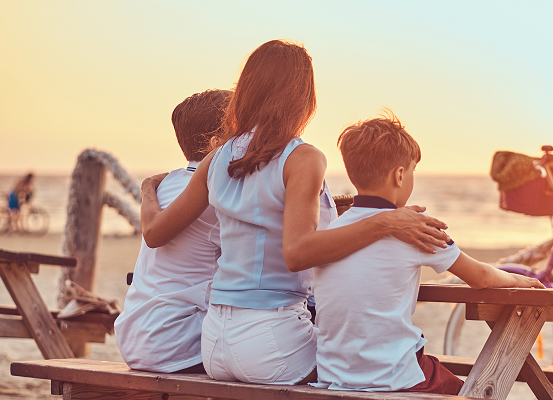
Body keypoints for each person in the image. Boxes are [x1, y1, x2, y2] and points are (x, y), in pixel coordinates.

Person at [140, 40, 452, 385]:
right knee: (377, 370)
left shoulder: (218, 158)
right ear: (303, 97)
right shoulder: (303, 158)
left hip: (213, 342)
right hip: (269, 339)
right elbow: (298, 252)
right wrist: (385, 220)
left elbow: (154, 234)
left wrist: (147, 190)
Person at [311, 113, 544, 394]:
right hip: (395, 377)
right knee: (471, 391)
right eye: (412, 171)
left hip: (334, 378)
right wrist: (517, 280)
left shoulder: (334, 234)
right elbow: (480, 276)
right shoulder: (416, 230)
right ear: (399, 175)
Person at [114, 89, 232, 373]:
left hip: (134, 336)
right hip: (176, 340)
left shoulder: (167, 182)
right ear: (217, 142)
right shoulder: (218, 192)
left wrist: (146, 188)